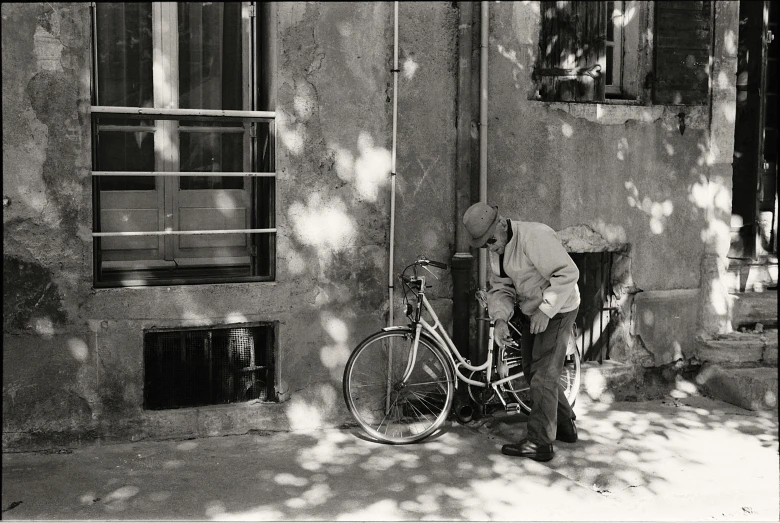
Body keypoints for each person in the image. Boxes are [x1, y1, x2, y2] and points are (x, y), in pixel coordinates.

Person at [463, 202, 580, 462]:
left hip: (557, 308)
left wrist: (546, 311)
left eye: (491, 239)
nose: (490, 247)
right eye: (485, 244)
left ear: (502, 223)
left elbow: (568, 273)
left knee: (544, 375)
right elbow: (501, 288)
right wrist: (501, 320)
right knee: (530, 369)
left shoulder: (534, 237)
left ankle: (540, 443)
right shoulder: (499, 250)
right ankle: (565, 425)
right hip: (532, 308)